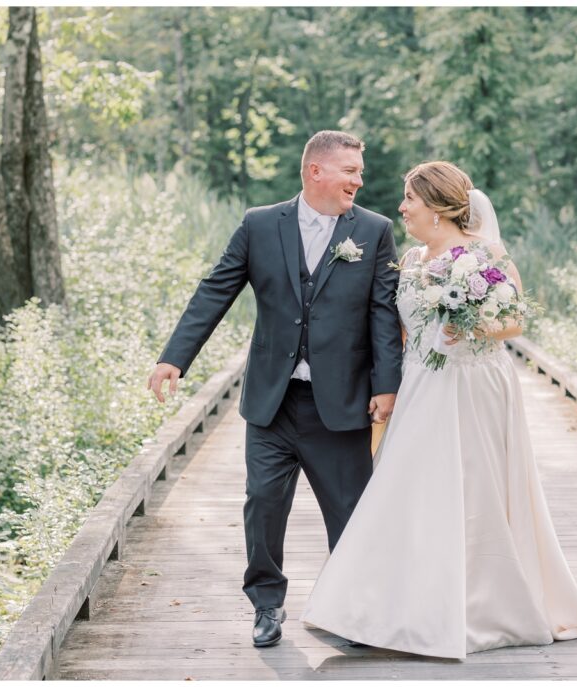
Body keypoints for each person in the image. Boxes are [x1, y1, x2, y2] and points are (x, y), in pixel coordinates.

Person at [299, 161, 577, 660]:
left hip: (475, 383)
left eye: (409, 199)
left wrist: (472, 325)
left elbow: (515, 321)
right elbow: (398, 329)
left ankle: (479, 606)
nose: (402, 208)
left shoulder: (485, 255)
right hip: (420, 384)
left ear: (436, 207)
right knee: (408, 488)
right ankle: (386, 606)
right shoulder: (412, 260)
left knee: (473, 489)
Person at [147, 131, 402, 648]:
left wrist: (387, 385)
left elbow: (382, 313)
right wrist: (175, 357)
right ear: (315, 171)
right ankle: (266, 602)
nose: (359, 179)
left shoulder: (374, 231)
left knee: (350, 512)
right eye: (350, 170)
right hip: (273, 400)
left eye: (360, 171)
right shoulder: (260, 225)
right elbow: (216, 288)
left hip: (342, 402)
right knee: (262, 502)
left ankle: (350, 609)